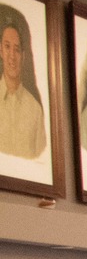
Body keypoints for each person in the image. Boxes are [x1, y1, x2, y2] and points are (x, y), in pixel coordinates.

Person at [0, 11, 46, 160]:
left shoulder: (35, 110)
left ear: (23, 56)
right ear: (0, 50)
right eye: (7, 47)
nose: (12, 56)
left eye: (17, 49)